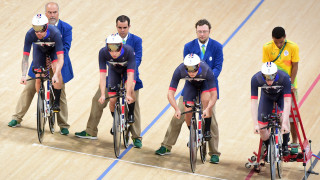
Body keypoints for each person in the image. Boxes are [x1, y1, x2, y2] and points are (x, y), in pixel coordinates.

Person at [155, 19, 223, 164]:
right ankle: (166, 145)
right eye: (199, 31)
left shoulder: (217, 46)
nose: (202, 33)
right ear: (196, 31)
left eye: (205, 31)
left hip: (208, 83)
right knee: (179, 113)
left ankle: (214, 152)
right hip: (191, 83)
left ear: (209, 31)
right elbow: (187, 66)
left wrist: (206, 76)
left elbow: (218, 66)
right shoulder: (189, 46)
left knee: (211, 118)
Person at [75, 15, 143, 148]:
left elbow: (138, 59)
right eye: (119, 27)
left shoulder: (136, 40)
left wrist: (129, 74)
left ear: (129, 27)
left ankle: (136, 137)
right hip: (114, 73)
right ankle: (91, 131)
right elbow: (106, 62)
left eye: (125, 27)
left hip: (130, 73)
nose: (122, 30)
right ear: (116, 27)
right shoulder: (110, 41)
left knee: (133, 105)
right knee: (97, 99)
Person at [8, 2, 73, 135]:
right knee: (29, 87)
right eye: (49, 12)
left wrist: (52, 60)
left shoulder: (66, 28)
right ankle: (17, 117)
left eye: (55, 12)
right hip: (40, 58)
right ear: (45, 14)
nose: (52, 15)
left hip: (57, 61)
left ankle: (63, 125)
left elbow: (65, 48)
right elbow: (27, 53)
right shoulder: (36, 30)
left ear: (58, 13)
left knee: (60, 92)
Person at [262, 26, 300, 154]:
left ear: (285, 38)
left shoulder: (293, 47)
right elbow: (266, 67)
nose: (278, 44)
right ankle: (266, 142)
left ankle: (294, 142)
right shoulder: (267, 47)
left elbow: (295, 66)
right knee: (268, 114)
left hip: (289, 84)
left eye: (281, 42)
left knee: (292, 116)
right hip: (273, 84)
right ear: (272, 39)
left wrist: (291, 83)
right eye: (276, 42)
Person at [168, 54, 217, 141]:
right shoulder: (179, 70)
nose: (191, 73)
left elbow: (214, 94)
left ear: (198, 66)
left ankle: (207, 131)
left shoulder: (206, 70)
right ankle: (193, 134)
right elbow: (170, 93)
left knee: (206, 100)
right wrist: (176, 109)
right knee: (187, 110)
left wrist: (208, 108)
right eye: (188, 69)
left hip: (204, 84)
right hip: (191, 85)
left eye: (193, 69)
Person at [251, 62, 291, 156]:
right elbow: (253, 102)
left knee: (282, 118)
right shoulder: (256, 79)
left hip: (281, 97)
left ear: (276, 74)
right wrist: (255, 124)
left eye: (271, 77)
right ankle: (269, 147)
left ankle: (285, 145)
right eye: (266, 78)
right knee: (262, 128)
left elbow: (287, 101)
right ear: (262, 75)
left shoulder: (284, 77)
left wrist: (284, 123)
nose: (269, 81)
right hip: (267, 97)